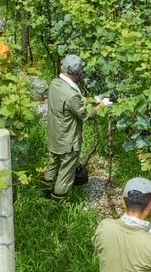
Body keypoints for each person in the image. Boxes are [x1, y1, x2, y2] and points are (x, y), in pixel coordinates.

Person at [41, 54, 108, 202]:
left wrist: (93, 99)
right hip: (68, 140)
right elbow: (85, 115)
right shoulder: (71, 95)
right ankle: (57, 203)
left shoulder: (54, 84)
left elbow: (73, 102)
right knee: (66, 171)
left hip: (55, 135)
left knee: (53, 163)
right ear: (80, 73)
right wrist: (101, 105)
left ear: (61, 67)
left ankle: (44, 194)